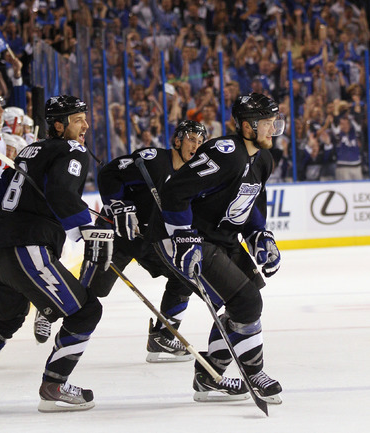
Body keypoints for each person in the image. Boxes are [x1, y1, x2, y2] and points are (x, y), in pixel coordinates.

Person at [0, 95, 114, 413]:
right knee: (86, 311)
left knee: (3, 319)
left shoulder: (28, 152)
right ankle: (54, 385)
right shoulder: (72, 150)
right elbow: (61, 191)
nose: (86, 126)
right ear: (59, 125)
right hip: (27, 249)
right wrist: (86, 231)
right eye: (78, 120)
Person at [33, 120, 207, 364]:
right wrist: (119, 204)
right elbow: (109, 173)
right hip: (116, 234)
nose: (196, 146)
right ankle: (48, 306)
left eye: (200, 142)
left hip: (149, 240)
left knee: (185, 277)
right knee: (90, 292)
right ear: (177, 141)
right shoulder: (154, 159)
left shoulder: (191, 177)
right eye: (191, 140)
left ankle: (163, 337)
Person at [153, 93, 284, 404]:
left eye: (274, 122)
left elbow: (250, 206)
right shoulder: (226, 153)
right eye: (267, 123)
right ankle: (254, 373)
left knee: (246, 301)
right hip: (192, 238)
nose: (273, 129)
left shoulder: (264, 160)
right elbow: (175, 190)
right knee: (246, 301)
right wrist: (183, 236)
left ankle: (210, 375)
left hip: (221, 238)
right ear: (248, 126)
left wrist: (260, 236)